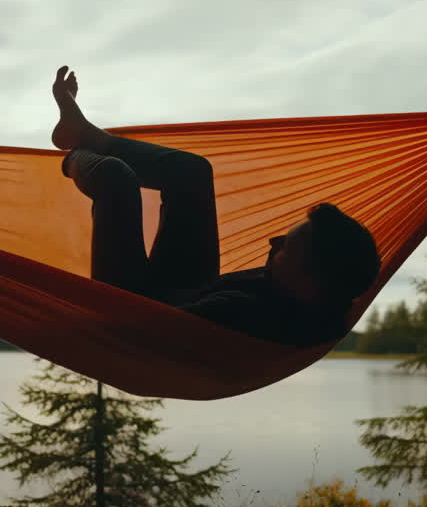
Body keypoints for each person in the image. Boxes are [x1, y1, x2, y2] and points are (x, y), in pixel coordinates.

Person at [51, 65, 381, 347]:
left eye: (285, 250)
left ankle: (76, 154)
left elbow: (139, 331)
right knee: (192, 171)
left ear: (310, 284)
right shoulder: (323, 294)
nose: (272, 243)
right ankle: (86, 134)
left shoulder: (244, 316)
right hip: (188, 289)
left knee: (113, 177)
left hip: (132, 310)